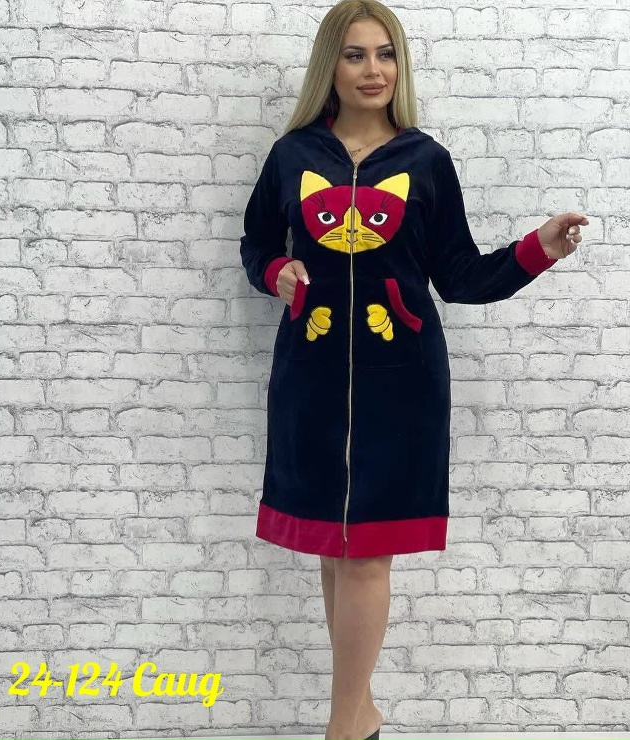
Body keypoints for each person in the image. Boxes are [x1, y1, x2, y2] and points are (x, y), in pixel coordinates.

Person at [239, 2, 588, 740]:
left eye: (386, 53)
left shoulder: (425, 161)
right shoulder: (292, 155)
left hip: (401, 383)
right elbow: (257, 242)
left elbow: (458, 275)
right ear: (330, 66)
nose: (374, 70)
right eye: (356, 55)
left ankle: (342, 727)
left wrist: (538, 249)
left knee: (366, 554)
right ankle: (360, 714)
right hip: (310, 374)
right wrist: (276, 272)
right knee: (334, 550)